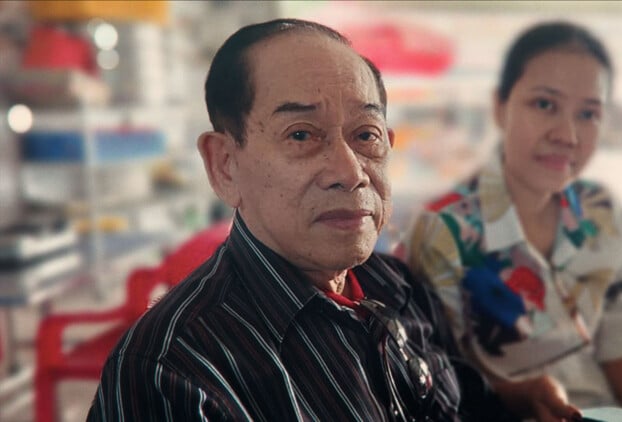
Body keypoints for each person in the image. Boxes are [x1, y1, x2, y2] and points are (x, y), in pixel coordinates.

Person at [86, 18, 522, 421]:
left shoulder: (396, 286)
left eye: (365, 135)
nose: (351, 173)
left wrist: (513, 396)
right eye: (301, 135)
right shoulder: (175, 369)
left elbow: (458, 404)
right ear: (225, 165)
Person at [396, 21, 622, 420]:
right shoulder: (444, 231)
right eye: (545, 104)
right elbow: (438, 383)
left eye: (588, 114)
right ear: (499, 106)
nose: (567, 134)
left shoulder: (603, 213)